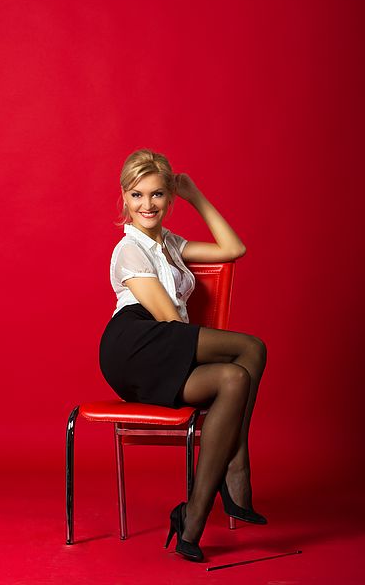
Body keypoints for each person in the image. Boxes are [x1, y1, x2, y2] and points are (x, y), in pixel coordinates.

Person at [99, 149, 268, 562]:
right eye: (137, 195)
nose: (147, 205)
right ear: (124, 198)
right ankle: (237, 463)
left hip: (164, 342)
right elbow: (168, 318)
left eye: (157, 195)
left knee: (235, 379)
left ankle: (191, 519)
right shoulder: (130, 250)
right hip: (136, 342)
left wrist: (196, 197)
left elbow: (234, 248)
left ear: (168, 199)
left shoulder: (170, 244)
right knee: (251, 347)